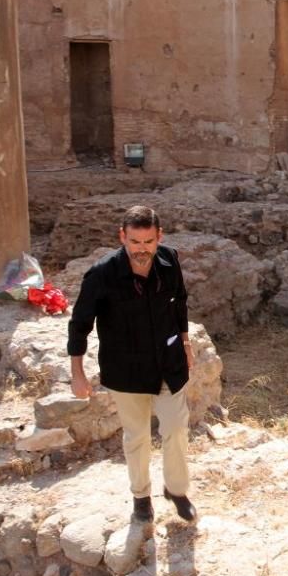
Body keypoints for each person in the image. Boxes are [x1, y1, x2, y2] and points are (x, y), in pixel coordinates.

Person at [67, 206, 197, 523]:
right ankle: (141, 497)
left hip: (168, 362)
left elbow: (179, 301)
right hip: (125, 368)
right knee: (136, 436)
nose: (142, 249)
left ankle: (176, 491)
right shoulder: (101, 274)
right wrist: (77, 373)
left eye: (148, 241)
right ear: (122, 237)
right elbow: (79, 323)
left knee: (176, 427)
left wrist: (186, 342)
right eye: (135, 242)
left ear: (159, 237)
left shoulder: (169, 261)